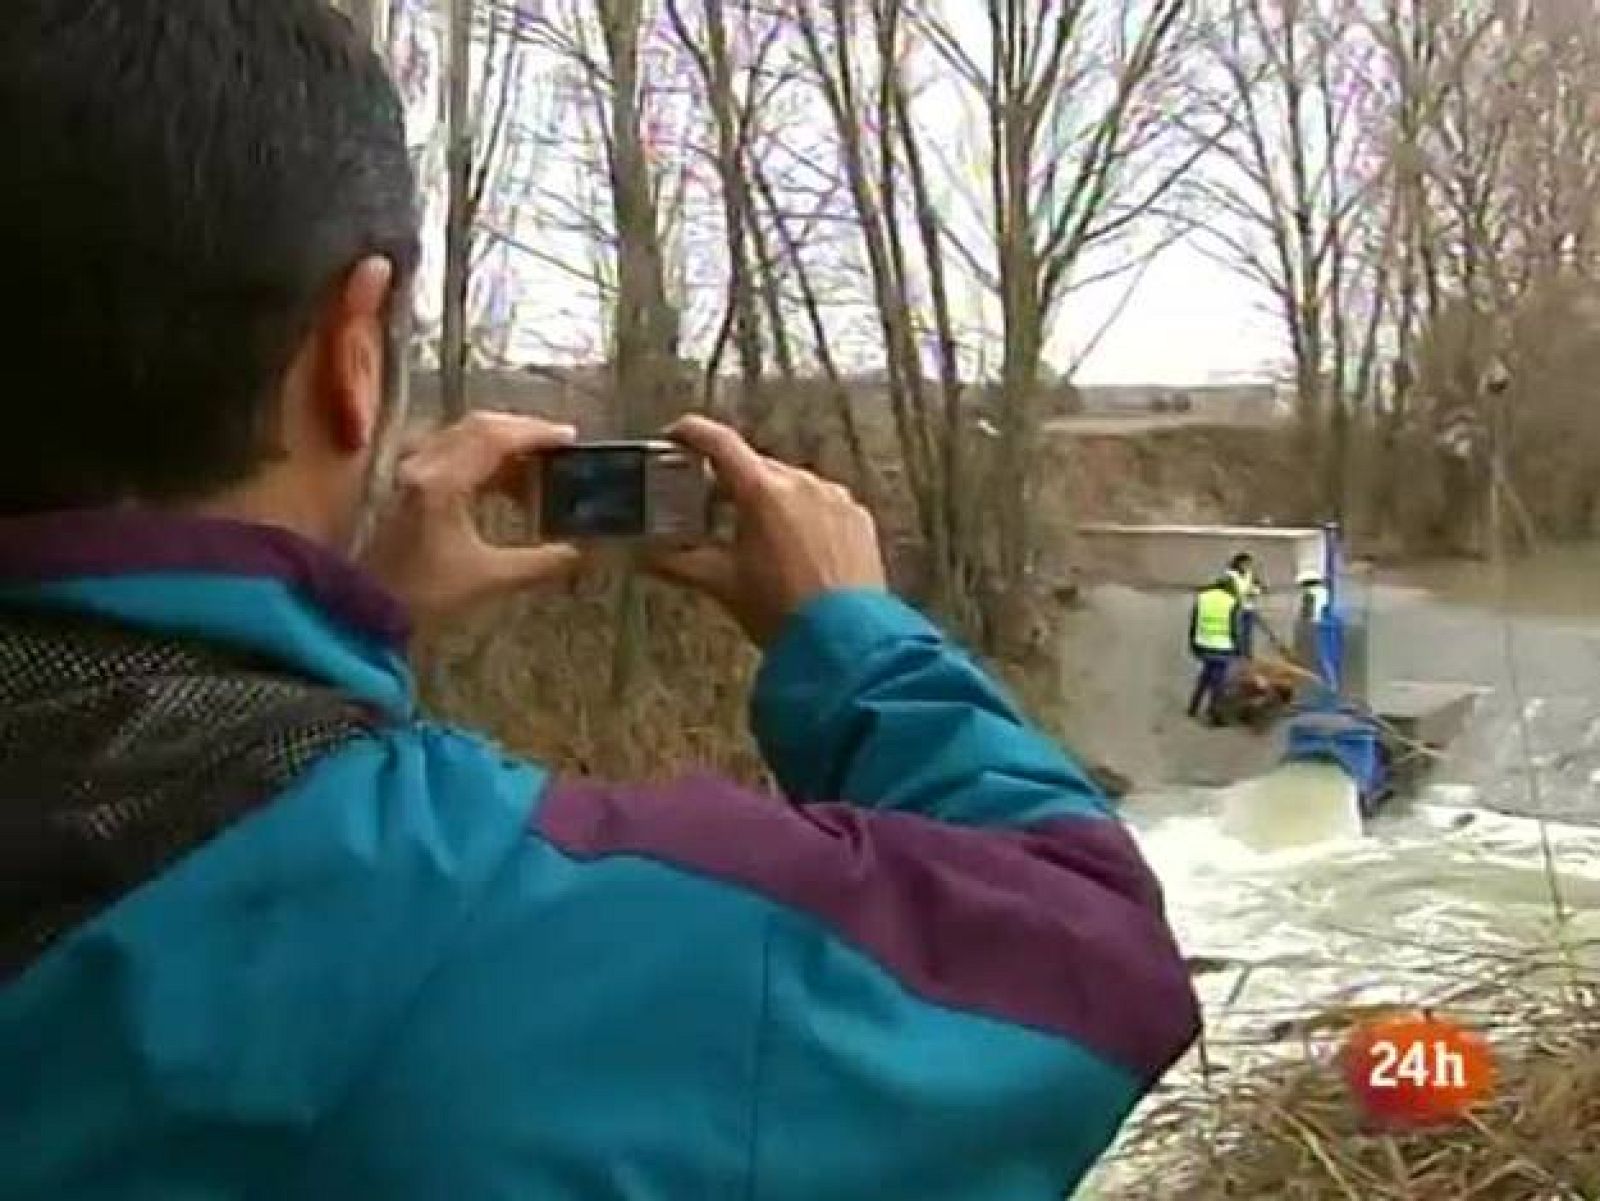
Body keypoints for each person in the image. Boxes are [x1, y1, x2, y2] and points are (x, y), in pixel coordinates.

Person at [0, 5, 1198, 1199]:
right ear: (349, 355)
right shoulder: (464, 921)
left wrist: (299, 674)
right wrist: (856, 640)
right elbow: (1093, 963)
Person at [1188, 575, 1243, 725]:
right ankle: (1215, 714)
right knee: (1218, 681)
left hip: (1203, 643)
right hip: (1223, 646)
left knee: (1206, 675)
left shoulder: (1202, 597)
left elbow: (1194, 621)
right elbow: (1235, 628)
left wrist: (1192, 642)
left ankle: (1193, 707)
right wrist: (1239, 647)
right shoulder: (1232, 602)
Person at [1225, 551, 1263, 657]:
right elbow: (1228, 590)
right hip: (1236, 607)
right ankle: (1236, 652)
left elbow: (1258, 586)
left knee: (1248, 632)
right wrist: (1242, 594)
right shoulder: (1230, 575)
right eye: (1245, 563)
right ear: (1239, 563)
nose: (1248, 566)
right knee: (1237, 631)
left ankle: (1247, 653)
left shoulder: (1250, 574)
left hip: (1249, 607)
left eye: (1249, 564)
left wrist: (1255, 591)